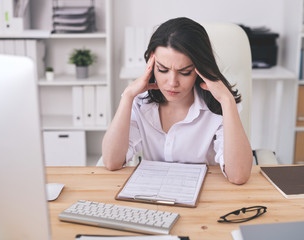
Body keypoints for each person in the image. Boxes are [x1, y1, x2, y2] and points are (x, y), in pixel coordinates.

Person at [102, 17, 252, 185]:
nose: (172, 82)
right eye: (163, 69)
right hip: (153, 197)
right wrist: (128, 96)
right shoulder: (141, 102)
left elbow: (238, 176)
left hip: (205, 197)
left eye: (185, 72)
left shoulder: (218, 106)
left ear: (199, 69)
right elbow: (111, 161)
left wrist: (227, 100)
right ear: (152, 62)